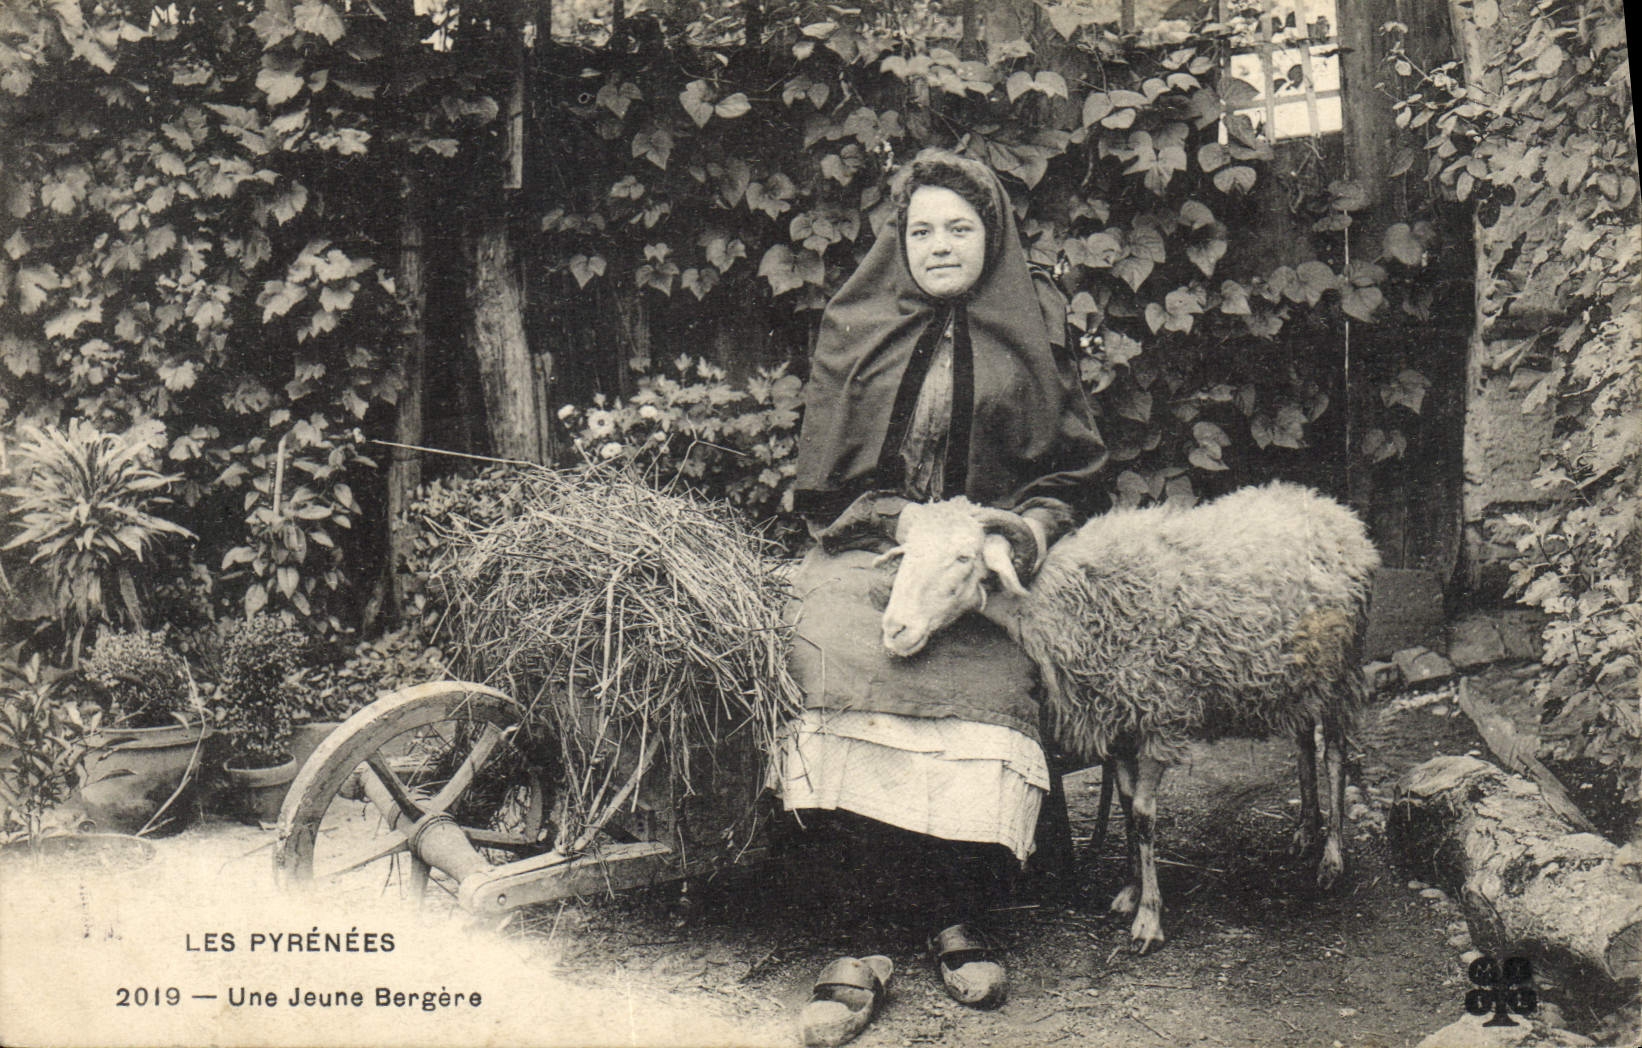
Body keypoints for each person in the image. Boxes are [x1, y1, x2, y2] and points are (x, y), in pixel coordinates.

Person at [774, 148, 1107, 1047]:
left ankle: (956, 915)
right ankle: (855, 934)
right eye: (921, 230)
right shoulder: (858, 328)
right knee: (829, 652)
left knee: (987, 680)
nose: (939, 244)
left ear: (990, 238)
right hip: (867, 551)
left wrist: (1016, 536)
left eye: (959, 229)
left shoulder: (1031, 335)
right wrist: (899, 520)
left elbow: (1073, 477)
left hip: (979, 572)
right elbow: (824, 490)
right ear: (900, 239)